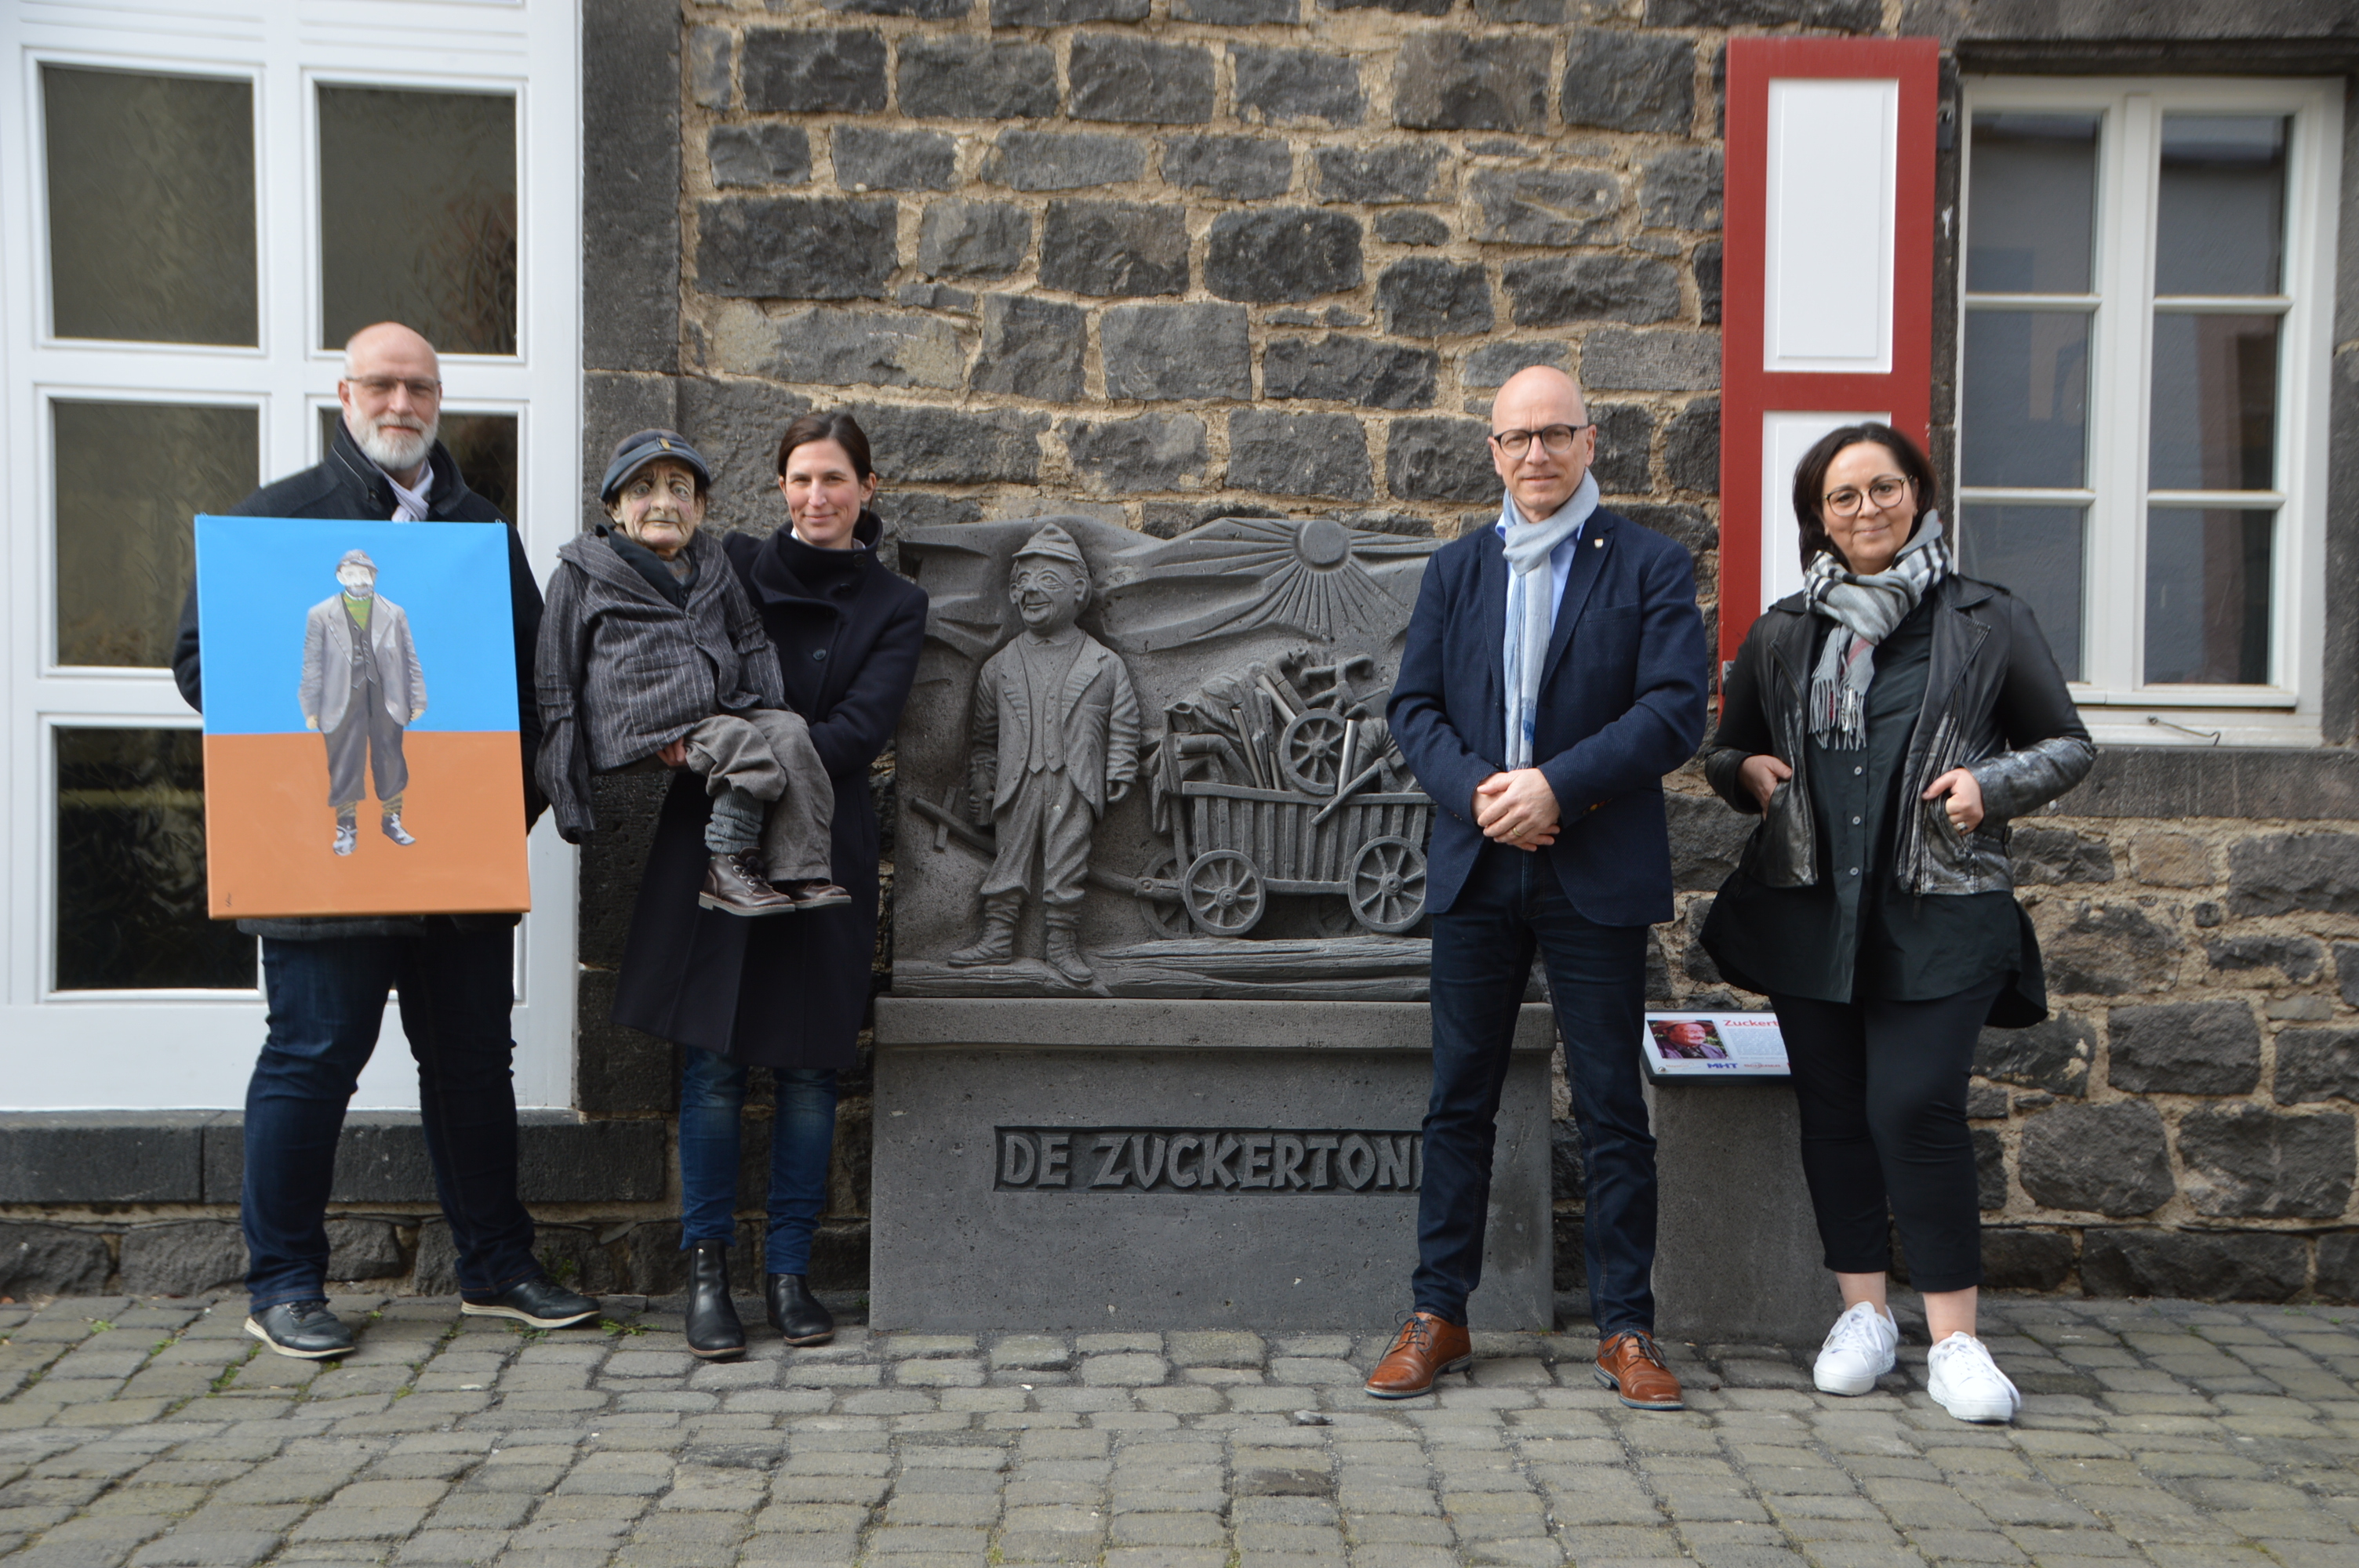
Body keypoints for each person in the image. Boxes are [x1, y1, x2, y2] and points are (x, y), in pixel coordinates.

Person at [171, 321, 598, 1359]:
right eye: (382, 384)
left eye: (420, 386)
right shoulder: (275, 522)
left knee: (471, 1066)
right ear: (344, 393)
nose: (401, 402)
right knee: (314, 1057)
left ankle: (496, 1267)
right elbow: (198, 665)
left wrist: (501, 815)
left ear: (439, 399)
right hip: (326, 857)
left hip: (453, 861)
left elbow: (537, 690)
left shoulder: (477, 530)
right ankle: (282, 1283)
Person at [1699, 422, 2092, 1424]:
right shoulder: (1787, 628)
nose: (1865, 509)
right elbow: (1725, 748)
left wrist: (1987, 782)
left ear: (1915, 493)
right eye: (1842, 497)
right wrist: (1742, 772)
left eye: (1883, 488)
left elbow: (2064, 743)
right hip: (1811, 908)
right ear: (1818, 517)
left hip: (1943, 904)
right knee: (1832, 1113)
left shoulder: (1986, 618)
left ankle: (1955, 1338)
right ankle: (1863, 1315)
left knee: (1910, 1105)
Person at [1374, 365, 1709, 1404]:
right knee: (1457, 1103)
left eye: (1555, 434)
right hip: (1479, 867)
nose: (1535, 455)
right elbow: (1414, 710)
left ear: (1591, 440)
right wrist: (1481, 791)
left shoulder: (1649, 565)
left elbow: (1671, 713)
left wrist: (1557, 788)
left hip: (1593, 866)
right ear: (1492, 451)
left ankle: (1625, 1331)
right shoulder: (1457, 571)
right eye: (1516, 438)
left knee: (1611, 1105)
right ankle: (1440, 1313)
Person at [610, 412, 927, 1359]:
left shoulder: (895, 604)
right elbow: (667, 665)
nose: (815, 497)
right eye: (798, 479)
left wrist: (750, 747)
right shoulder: (731, 561)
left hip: (821, 850)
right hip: (712, 834)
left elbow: (858, 732)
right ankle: (707, 1270)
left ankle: (789, 1271)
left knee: (807, 1065)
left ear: (867, 488)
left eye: (833, 479)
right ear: (777, 487)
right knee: (710, 1063)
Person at [535, 429, 847, 917]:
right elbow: (555, 681)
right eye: (642, 490)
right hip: (632, 726)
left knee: (788, 733)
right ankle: (728, 867)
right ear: (614, 508)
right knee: (739, 744)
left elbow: (749, 637)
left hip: (713, 710)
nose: (663, 503)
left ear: (699, 508)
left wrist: (767, 706)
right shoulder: (580, 572)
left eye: (680, 490)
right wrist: (566, 793)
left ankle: (800, 870)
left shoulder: (711, 561)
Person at [945, 523, 1141, 985]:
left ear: (1079, 590)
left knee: (1068, 862)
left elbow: (1124, 723)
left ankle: (1061, 945)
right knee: (1008, 859)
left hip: (1075, 779)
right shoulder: (999, 667)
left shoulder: (1106, 665)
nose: (1031, 590)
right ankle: (996, 937)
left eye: (1047, 580)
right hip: (1018, 780)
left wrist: (1120, 766)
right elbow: (984, 738)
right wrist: (982, 785)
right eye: (1023, 582)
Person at [299, 550, 426, 855]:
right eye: (351, 574)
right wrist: (311, 707)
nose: (359, 580)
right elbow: (312, 664)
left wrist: (417, 697)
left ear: (374, 576)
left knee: (390, 756)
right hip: (340, 698)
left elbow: (410, 657)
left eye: (365, 573)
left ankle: (392, 819)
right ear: (340, 577)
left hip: (387, 695)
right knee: (344, 760)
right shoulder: (320, 614)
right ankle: (346, 827)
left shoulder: (394, 612)